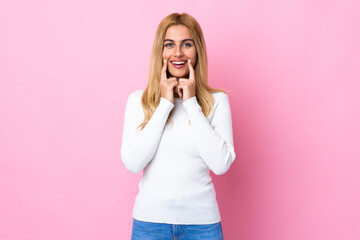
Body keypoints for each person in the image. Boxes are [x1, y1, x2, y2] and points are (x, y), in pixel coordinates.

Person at [121, 12, 236, 240]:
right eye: (169, 44)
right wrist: (164, 104)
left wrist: (192, 103)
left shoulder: (217, 102)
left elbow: (221, 164)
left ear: (197, 51)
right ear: (160, 52)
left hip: (202, 227)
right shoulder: (138, 101)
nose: (178, 53)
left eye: (186, 44)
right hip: (150, 225)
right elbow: (133, 163)